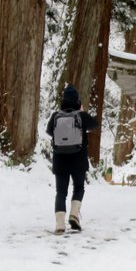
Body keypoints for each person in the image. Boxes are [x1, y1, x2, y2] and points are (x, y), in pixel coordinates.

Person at [45, 84, 99, 234]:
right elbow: (95, 124)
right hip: (78, 158)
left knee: (61, 191)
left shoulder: (56, 116)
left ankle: (60, 224)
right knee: (79, 187)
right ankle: (74, 215)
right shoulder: (81, 116)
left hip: (60, 159)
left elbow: (50, 132)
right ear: (76, 100)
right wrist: (81, 114)